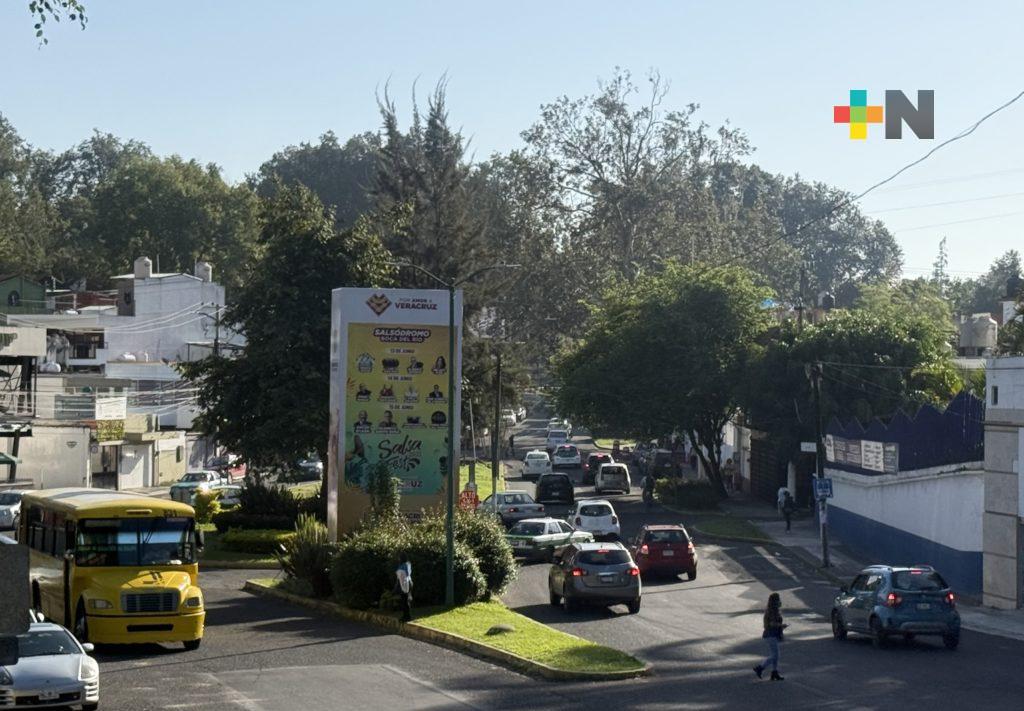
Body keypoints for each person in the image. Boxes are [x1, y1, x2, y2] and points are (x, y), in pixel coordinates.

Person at [753, 592, 787, 681]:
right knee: (775, 655)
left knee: (775, 655)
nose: (780, 602)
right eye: (778, 600)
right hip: (770, 635)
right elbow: (772, 624)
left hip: (773, 635)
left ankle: (774, 672)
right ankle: (760, 667)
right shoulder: (772, 611)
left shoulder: (774, 610)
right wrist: (781, 625)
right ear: (774, 601)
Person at [395, 554, 413, 622]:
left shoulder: (401, 566)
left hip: (404, 584)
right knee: (406, 600)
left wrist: (396, 587)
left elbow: (399, 578)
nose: (398, 559)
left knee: (404, 601)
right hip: (409, 582)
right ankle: (406, 616)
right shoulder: (408, 564)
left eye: (399, 558)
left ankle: (406, 617)